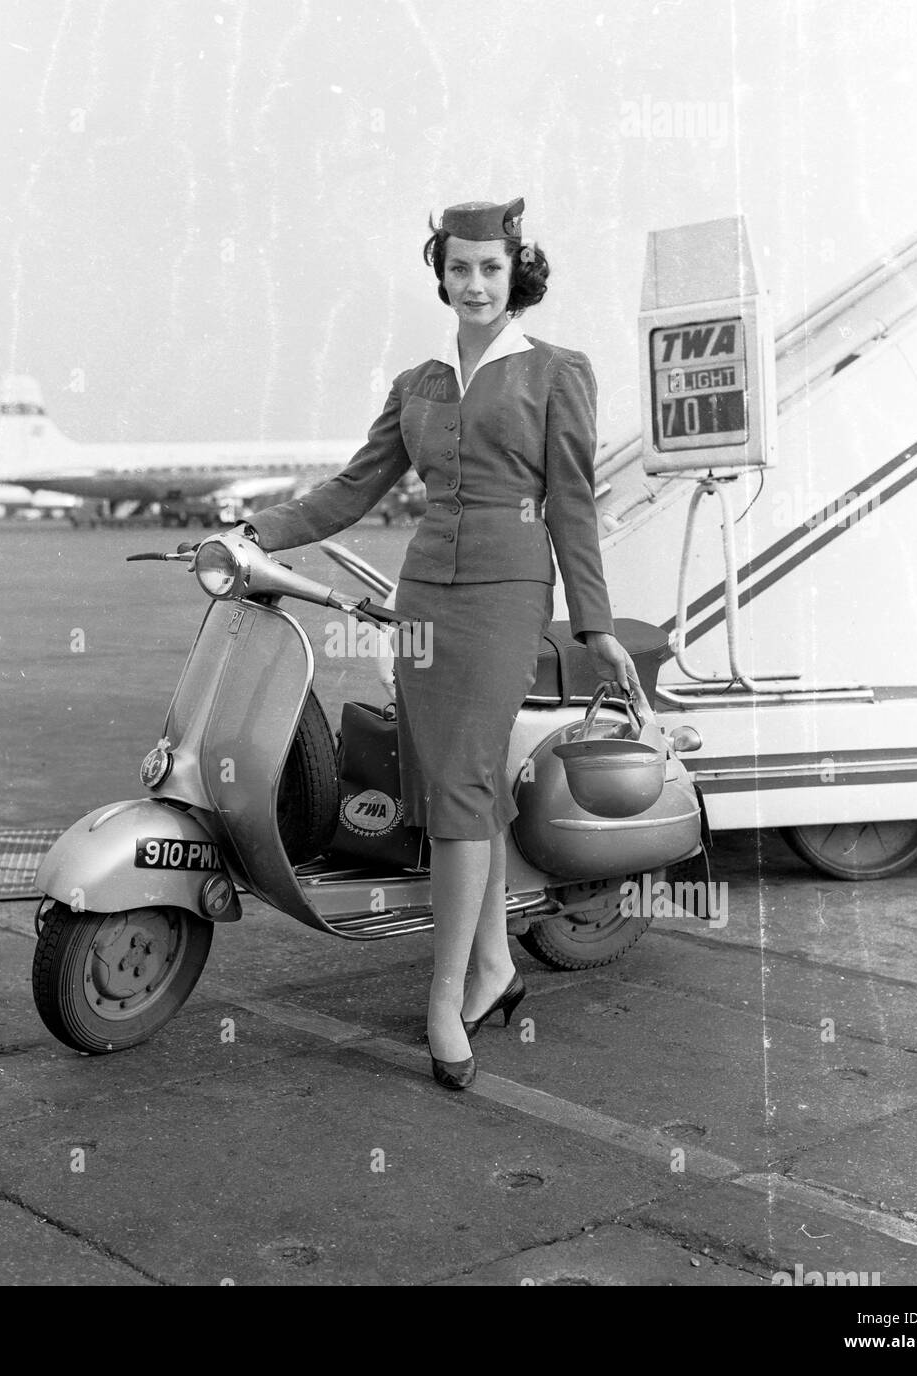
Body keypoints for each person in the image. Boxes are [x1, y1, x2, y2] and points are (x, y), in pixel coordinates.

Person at [243, 197, 640, 1090]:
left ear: (515, 274)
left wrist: (596, 624)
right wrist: (252, 533)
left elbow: (573, 504)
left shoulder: (555, 372)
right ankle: (495, 967)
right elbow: (350, 490)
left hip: (505, 596)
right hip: (423, 595)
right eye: (459, 268)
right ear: (442, 274)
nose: (473, 283)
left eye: (489, 268)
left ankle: (444, 992)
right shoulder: (416, 385)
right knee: (452, 783)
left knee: (461, 782)